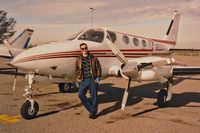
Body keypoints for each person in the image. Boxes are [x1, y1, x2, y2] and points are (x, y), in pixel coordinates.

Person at [75, 43, 102, 119]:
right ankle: (92, 110)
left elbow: (99, 68)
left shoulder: (94, 58)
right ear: (81, 50)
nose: (84, 50)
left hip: (93, 79)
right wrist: (78, 77)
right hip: (84, 80)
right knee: (80, 94)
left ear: (87, 48)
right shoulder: (78, 59)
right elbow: (77, 69)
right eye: (82, 48)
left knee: (94, 97)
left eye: (85, 48)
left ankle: (93, 113)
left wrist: (98, 77)